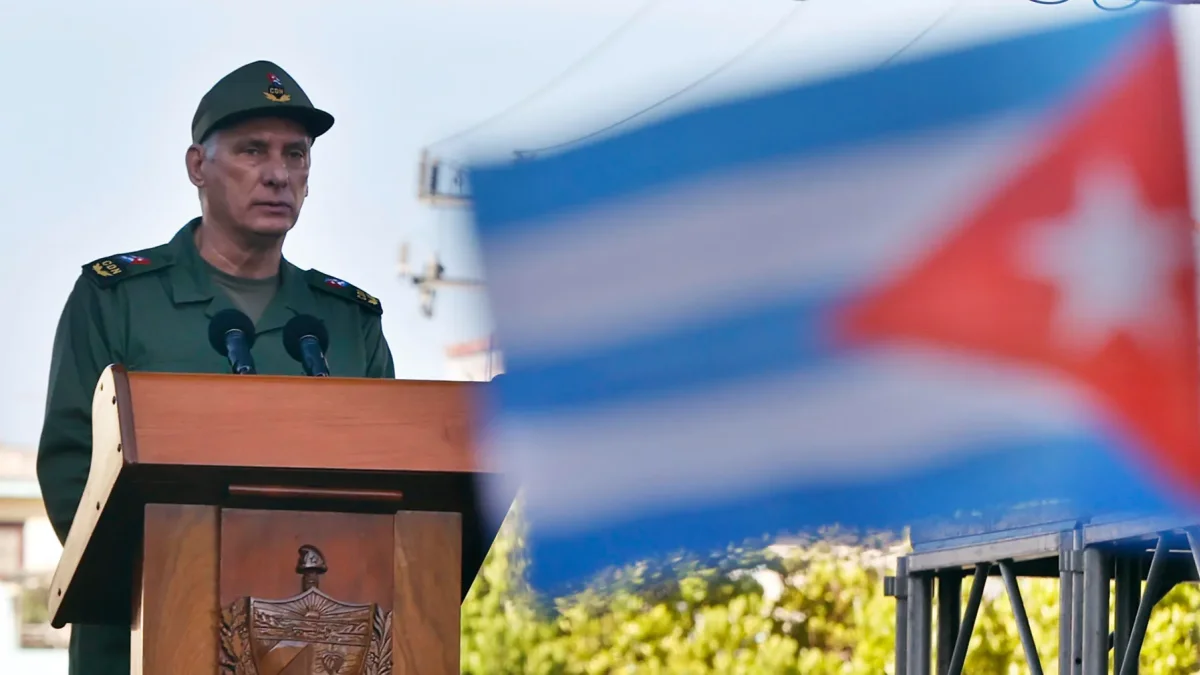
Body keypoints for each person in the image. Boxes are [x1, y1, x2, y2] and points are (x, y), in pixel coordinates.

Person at [36, 60, 395, 675]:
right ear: (198, 167)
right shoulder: (118, 298)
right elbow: (73, 471)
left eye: (296, 155)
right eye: (253, 151)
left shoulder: (346, 321)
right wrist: (180, 583)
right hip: (143, 636)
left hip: (315, 644)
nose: (279, 174)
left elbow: (393, 481)